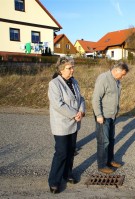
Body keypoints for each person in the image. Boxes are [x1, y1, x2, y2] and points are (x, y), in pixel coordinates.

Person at [48, 56, 86, 194]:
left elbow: (81, 98)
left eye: (73, 67)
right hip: (62, 124)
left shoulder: (74, 81)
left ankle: (67, 174)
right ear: (61, 70)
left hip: (74, 123)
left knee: (70, 151)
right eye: (69, 68)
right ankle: (54, 181)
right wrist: (74, 114)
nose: (72, 70)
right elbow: (58, 104)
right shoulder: (54, 84)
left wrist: (81, 110)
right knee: (61, 152)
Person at [92, 62, 129, 174]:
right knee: (104, 141)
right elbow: (95, 98)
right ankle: (102, 165)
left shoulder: (116, 81)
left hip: (112, 115)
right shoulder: (104, 78)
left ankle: (110, 160)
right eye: (122, 74)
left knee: (111, 140)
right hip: (103, 115)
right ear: (116, 70)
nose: (123, 77)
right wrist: (99, 115)